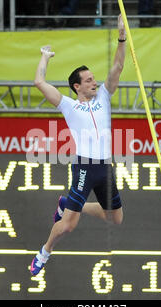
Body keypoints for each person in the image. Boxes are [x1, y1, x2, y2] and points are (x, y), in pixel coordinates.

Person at [30, 15, 127, 276]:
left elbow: (118, 66)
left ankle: (69, 203)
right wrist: (44, 56)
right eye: (88, 80)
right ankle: (44, 252)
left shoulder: (105, 95)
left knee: (116, 218)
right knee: (69, 225)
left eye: (94, 78)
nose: (94, 82)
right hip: (84, 166)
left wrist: (121, 37)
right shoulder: (68, 105)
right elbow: (39, 82)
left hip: (105, 167)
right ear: (77, 86)